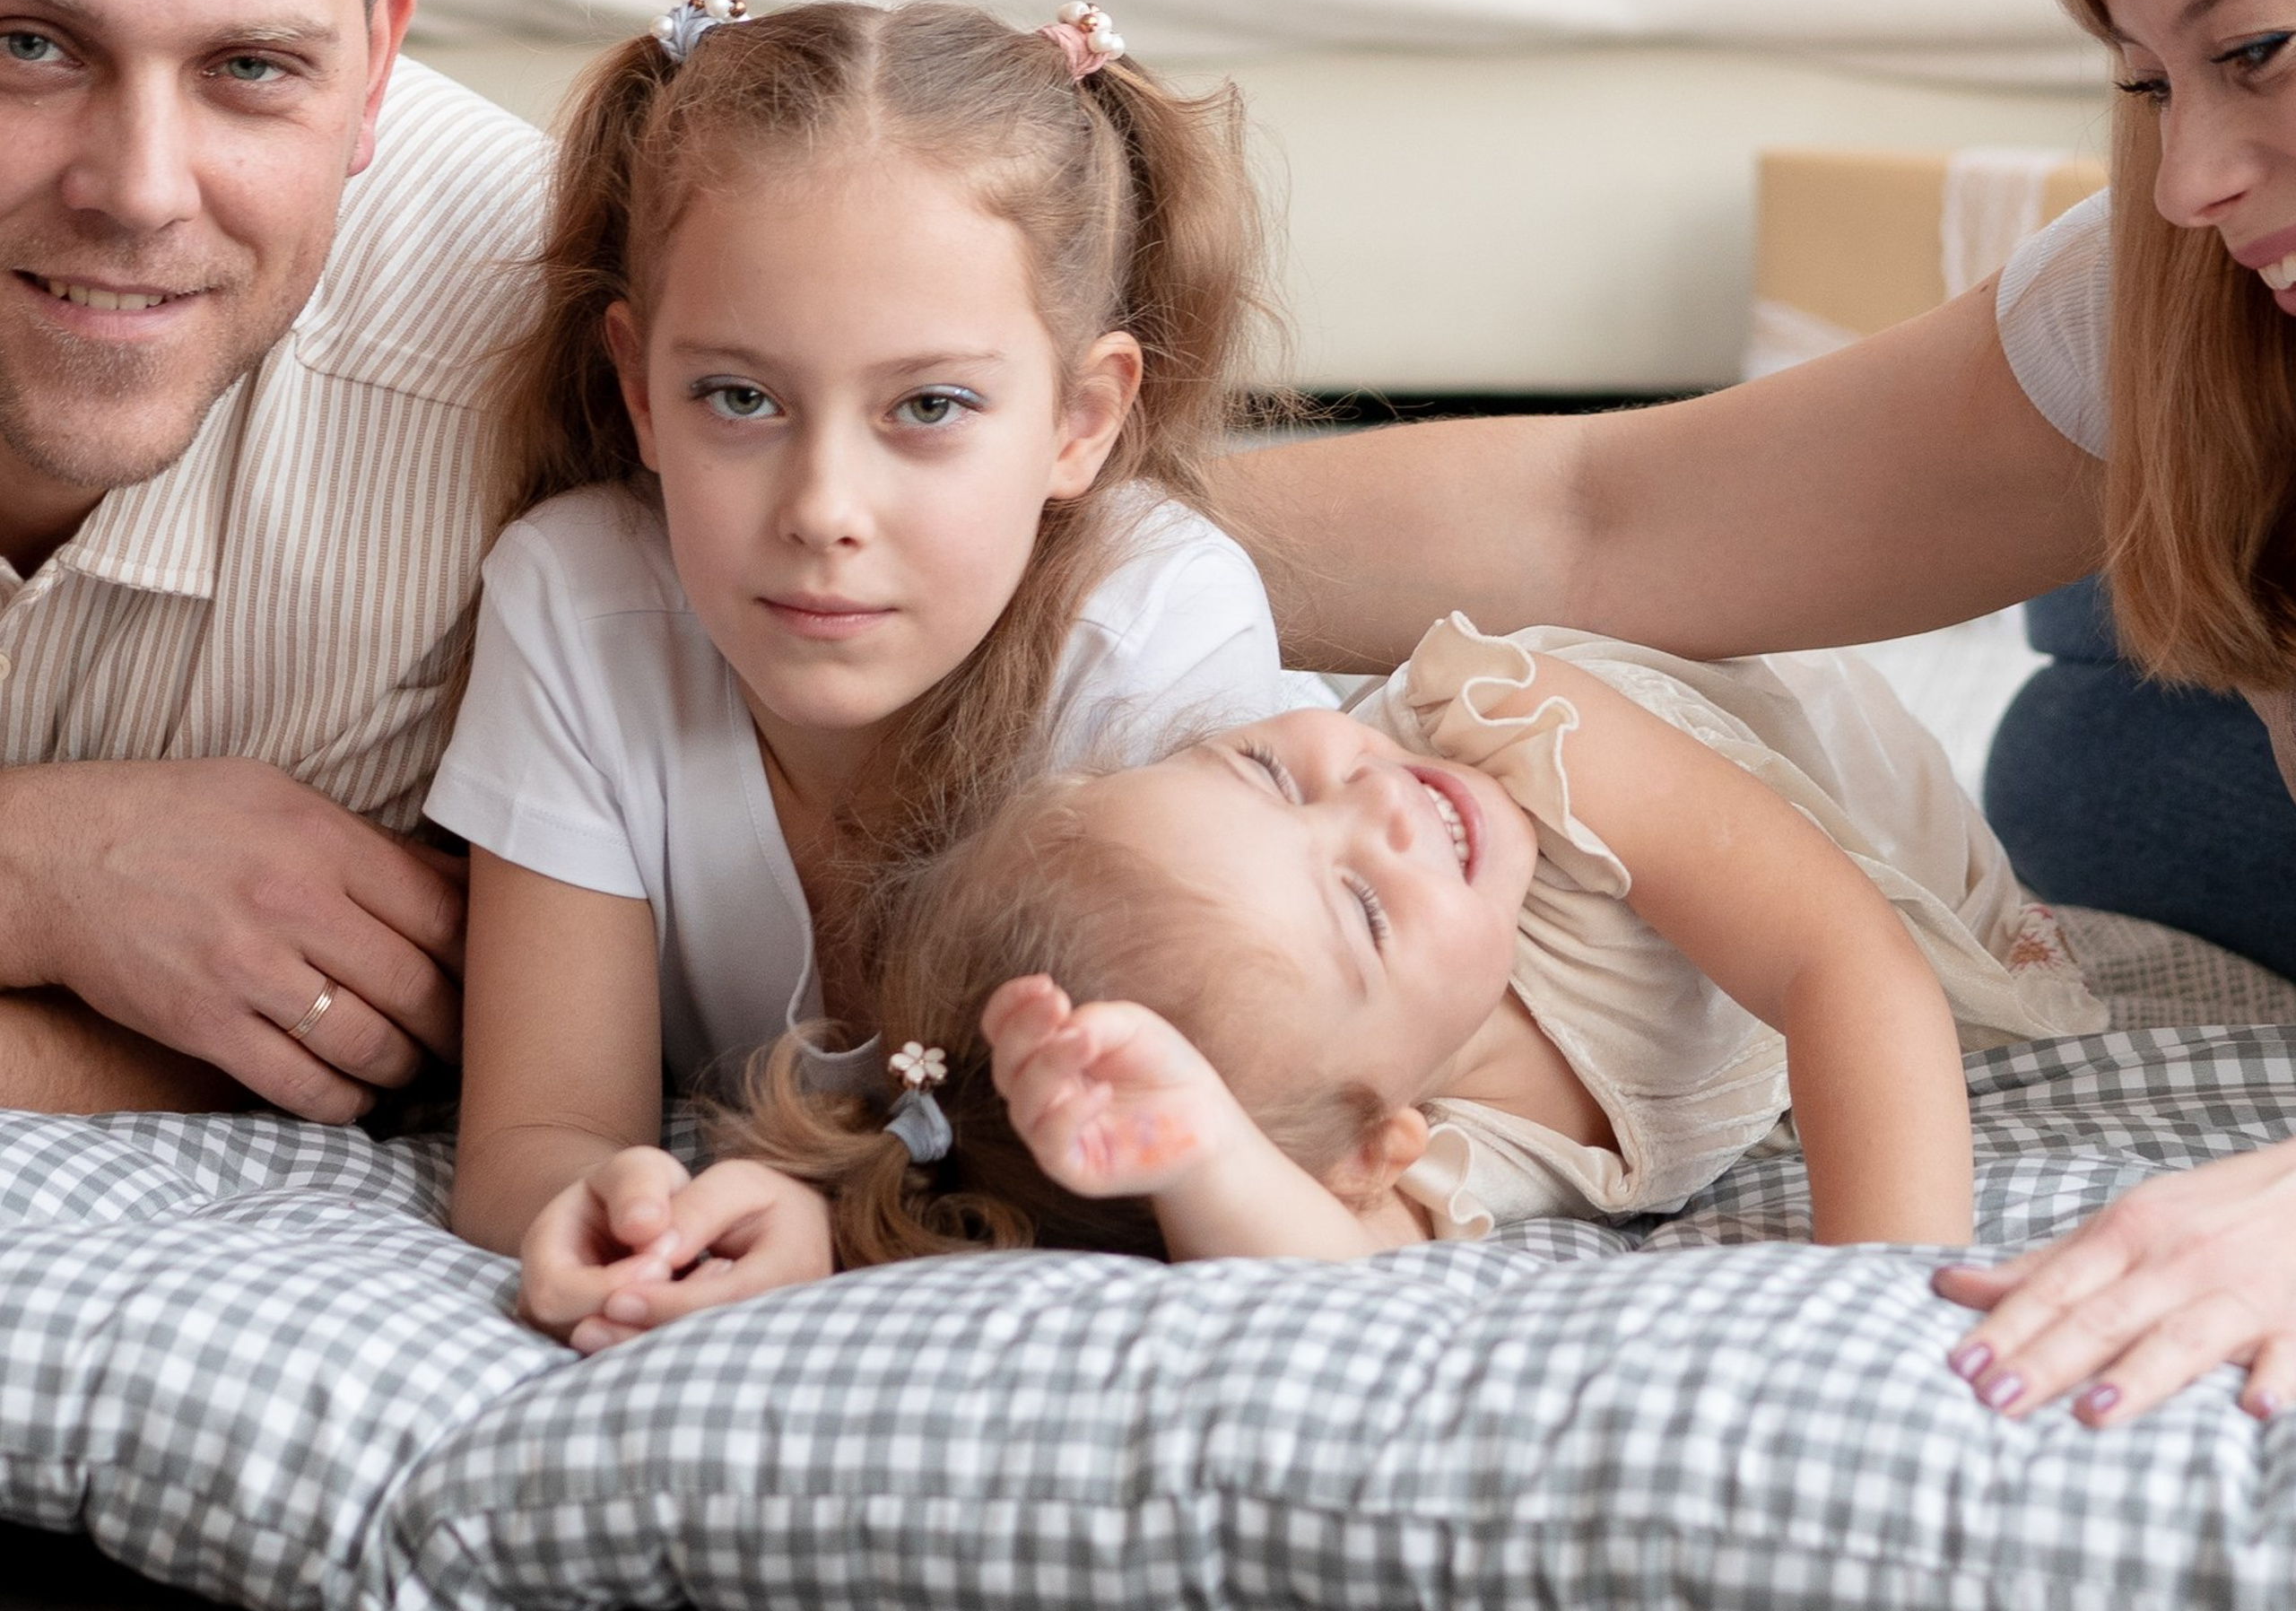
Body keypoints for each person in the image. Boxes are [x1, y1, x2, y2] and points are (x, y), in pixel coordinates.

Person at [1211, 0, 2296, 1432]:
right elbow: (1598, 518)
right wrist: (1027, 515)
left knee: (2097, 712)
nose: (2187, 174)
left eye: (2256, 51)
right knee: (2093, 711)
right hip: (2167, 726)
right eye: (2142, 81)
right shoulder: (2178, 295)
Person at [430, 0, 1336, 1347]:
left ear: (1082, 421)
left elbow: (1217, 1155)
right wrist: (625, 1214)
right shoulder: (578, 603)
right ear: (637, 390)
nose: (823, 509)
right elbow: (540, 1129)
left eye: (928, 408)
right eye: (740, 398)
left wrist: (833, 1229)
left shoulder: (1154, 636)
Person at [688, 611, 2108, 1279]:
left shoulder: (1510, 733)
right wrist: (1206, 1157)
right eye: (1362, 911)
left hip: (1873, 851)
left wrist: (1883, 1316)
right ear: (1374, 1144)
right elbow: (1314, 1260)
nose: (1375, 803)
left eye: (1263, 770)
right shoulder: (1426, 1142)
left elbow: (1843, 970)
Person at [0, 0, 546, 1119]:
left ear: (376, 68)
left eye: (252, 69)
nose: (143, 189)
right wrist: (45, 866)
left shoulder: (546, 316)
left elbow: (1039, 538)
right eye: (28, 44)